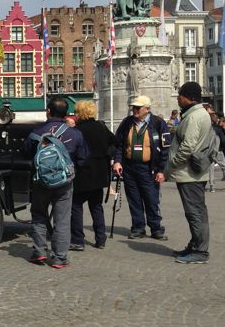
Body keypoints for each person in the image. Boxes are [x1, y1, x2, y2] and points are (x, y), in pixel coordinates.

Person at [23, 97, 89, 269]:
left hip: (41, 181)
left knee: (38, 215)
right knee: (62, 219)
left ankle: (39, 252)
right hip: (64, 182)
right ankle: (59, 258)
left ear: (48, 112)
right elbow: (83, 158)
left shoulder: (37, 131)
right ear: (66, 114)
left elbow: (26, 152)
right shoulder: (75, 133)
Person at [165, 82, 212, 264]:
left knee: (195, 212)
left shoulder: (194, 117)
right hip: (191, 172)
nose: (178, 98)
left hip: (189, 172)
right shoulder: (196, 114)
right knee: (195, 211)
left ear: (189, 97)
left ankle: (200, 251)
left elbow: (188, 146)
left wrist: (173, 162)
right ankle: (195, 245)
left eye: (180, 95)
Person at [112, 95, 169, 240]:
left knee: (151, 199)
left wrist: (161, 170)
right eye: (134, 107)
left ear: (147, 109)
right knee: (134, 199)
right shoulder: (127, 122)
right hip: (130, 167)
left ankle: (156, 228)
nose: (135, 110)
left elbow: (165, 149)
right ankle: (138, 228)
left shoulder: (158, 123)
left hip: (149, 168)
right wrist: (117, 161)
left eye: (138, 107)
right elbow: (118, 144)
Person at [70, 101, 115, 250]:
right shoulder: (102, 127)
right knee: (96, 206)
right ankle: (100, 238)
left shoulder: (77, 130)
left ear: (80, 113)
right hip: (99, 174)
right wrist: (107, 155)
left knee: (76, 206)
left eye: (76, 112)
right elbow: (115, 143)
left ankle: (77, 240)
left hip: (82, 174)